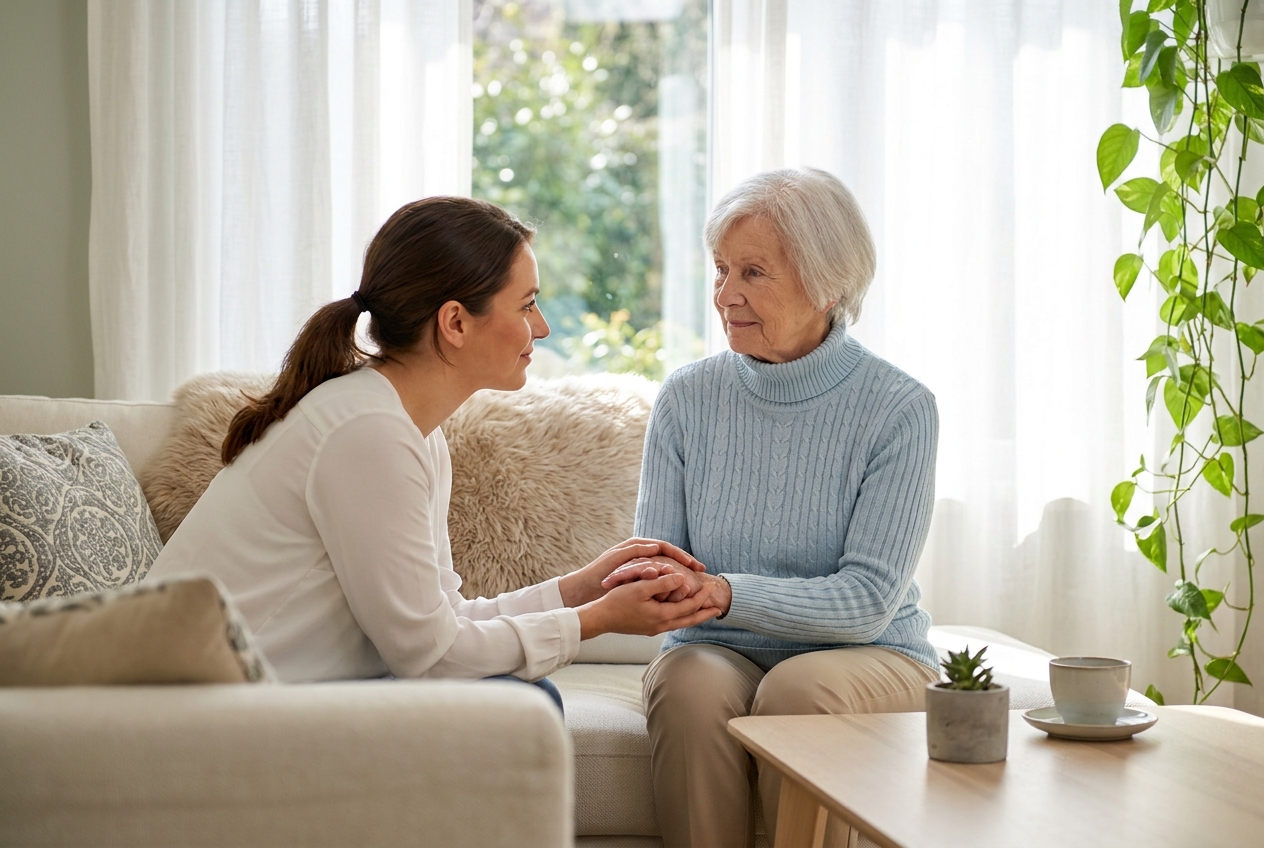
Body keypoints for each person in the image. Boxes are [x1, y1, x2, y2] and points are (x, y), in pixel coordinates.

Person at [146, 197, 721, 706]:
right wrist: (595, 621)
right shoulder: (367, 431)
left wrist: (584, 588)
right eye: (526, 305)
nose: (542, 327)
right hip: (208, 711)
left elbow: (444, 622)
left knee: (516, 698)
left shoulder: (407, 427)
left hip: (250, 695)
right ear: (455, 323)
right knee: (517, 704)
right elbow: (429, 656)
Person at [604, 168, 940, 847]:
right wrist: (659, 587)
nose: (725, 294)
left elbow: (868, 601)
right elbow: (660, 561)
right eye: (721, 269)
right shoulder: (686, 399)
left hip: (866, 651)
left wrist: (726, 592)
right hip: (715, 648)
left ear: (828, 283)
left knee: (798, 692)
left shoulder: (900, 408)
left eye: (753, 273)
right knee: (688, 685)